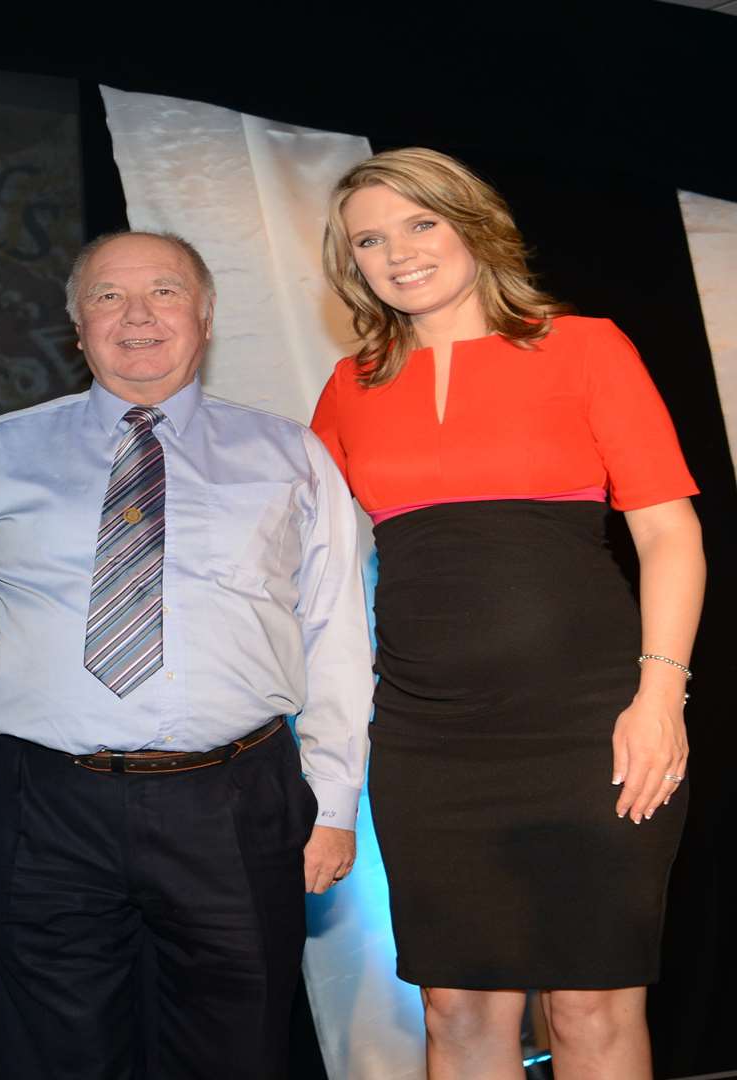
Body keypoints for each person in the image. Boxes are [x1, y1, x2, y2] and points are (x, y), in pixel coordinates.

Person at [310, 147, 703, 1080]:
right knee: (456, 1010)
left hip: (592, 729)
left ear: (470, 224)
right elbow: (308, 573)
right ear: (351, 263)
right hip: (429, 742)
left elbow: (671, 536)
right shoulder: (347, 387)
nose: (398, 252)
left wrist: (660, 699)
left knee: (593, 1009)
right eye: (370, 238)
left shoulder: (588, 348)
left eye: (420, 224)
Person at [0, 230, 373, 1079]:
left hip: (233, 803)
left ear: (207, 316)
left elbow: (339, 633)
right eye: (109, 296)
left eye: (165, 291)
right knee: (54, 1056)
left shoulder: (292, 455)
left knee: (232, 1054)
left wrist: (333, 803)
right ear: (77, 327)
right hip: (38, 805)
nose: (138, 315)